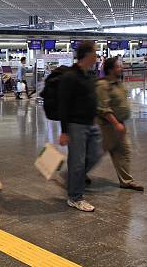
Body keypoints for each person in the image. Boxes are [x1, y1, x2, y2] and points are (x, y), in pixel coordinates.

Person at [58, 40, 103, 212]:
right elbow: (64, 104)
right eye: (95, 53)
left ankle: (73, 179)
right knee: (77, 161)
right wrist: (64, 131)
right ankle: (75, 197)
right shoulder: (70, 76)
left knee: (96, 154)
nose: (97, 56)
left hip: (91, 124)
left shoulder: (89, 75)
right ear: (87, 55)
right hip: (75, 125)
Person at [96, 57, 144, 192]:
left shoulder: (118, 83)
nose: (122, 68)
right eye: (119, 66)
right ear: (111, 69)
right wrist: (116, 123)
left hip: (119, 126)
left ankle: (126, 181)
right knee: (95, 155)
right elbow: (103, 108)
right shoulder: (103, 85)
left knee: (123, 152)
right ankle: (77, 175)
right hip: (108, 127)